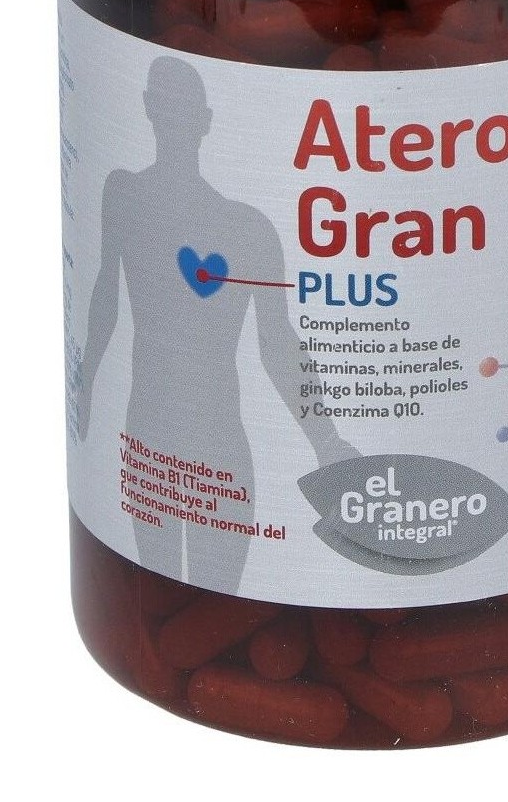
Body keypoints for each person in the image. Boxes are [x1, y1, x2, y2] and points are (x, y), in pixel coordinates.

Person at [74, 54, 354, 592]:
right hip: (150, 433)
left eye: (185, 112)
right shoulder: (125, 194)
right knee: (156, 590)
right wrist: (84, 388)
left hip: (221, 439)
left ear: (204, 121)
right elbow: (104, 296)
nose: (176, 123)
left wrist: (326, 441)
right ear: (148, 109)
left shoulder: (248, 228)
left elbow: (278, 345)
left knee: (220, 592)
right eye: (167, 108)